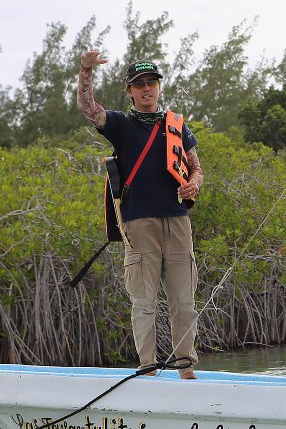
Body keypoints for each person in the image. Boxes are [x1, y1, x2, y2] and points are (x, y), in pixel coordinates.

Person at [78, 51, 204, 379]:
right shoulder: (121, 124)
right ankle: (147, 368)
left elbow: (196, 167)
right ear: (129, 91)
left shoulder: (176, 125)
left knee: (184, 302)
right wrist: (85, 70)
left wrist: (193, 184)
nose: (146, 88)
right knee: (143, 303)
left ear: (159, 87)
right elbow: (88, 109)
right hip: (138, 223)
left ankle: (185, 369)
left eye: (151, 82)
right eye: (139, 84)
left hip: (177, 221)